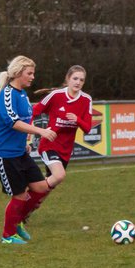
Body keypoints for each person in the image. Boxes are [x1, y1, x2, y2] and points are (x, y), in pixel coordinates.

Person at [0, 55, 57, 245]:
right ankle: (8, 236)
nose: (33, 77)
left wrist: (26, 140)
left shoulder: (23, 94)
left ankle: (17, 222)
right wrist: (41, 131)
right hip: (3, 154)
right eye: (29, 73)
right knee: (20, 195)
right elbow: (13, 122)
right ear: (18, 73)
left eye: (33, 73)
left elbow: (25, 120)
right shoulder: (7, 94)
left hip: (19, 152)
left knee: (41, 187)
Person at [23, 65, 97, 232]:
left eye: (81, 80)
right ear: (68, 79)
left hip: (65, 151)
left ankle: (25, 208)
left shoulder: (86, 100)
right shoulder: (56, 96)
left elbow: (87, 128)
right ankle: (22, 208)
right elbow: (33, 111)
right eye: (75, 78)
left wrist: (77, 119)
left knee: (43, 194)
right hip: (49, 145)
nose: (78, 82)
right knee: (59, 175)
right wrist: (28, 135)